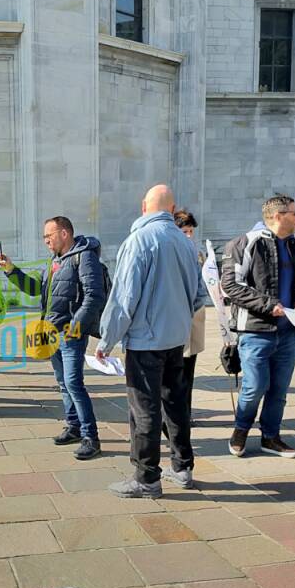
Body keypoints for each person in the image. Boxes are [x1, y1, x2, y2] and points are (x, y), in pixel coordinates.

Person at [95, 185, 207, 497]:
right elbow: (200, 295)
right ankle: (182, 468)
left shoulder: (139, 240)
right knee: (175, 404)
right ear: (172, 210)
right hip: (176, 339)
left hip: (146, 341)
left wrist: (106, 341)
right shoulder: (185, 243)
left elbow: (123, 299)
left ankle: (146, 478)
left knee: (143, 409)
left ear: (144, 206)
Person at [0, 216, 106, 459]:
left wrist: (74, 327)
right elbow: (34, 288)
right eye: (45, 236)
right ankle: (74, 426)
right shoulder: (54, 261)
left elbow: (94, 296)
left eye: (49, 235)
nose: (46, 240)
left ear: (65, 233)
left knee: (74, 384)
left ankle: (91, 437)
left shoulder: (85, 255)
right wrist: (11, 270)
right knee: (63, 383)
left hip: (71, 334)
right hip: (51, 333)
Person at [222, 194, 295, 459]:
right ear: (277, 216)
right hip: (255, 330)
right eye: (294, 213)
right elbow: (231, 285)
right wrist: (267, 305)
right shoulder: (245, 243)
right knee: (255, 386)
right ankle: (240, 430)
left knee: (279, 389)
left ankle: (271, 437)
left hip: (288, 331)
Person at [175, 209, 206, 424]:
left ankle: (185, 412)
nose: (188, 236)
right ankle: (176, 413)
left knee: (189, 370)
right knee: (175, 372)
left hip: (194, 317)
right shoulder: (172, 252)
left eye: (190, 231)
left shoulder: (198, 253)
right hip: (176, 318)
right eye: (184, 231)